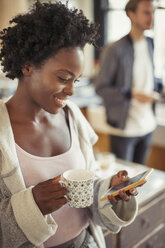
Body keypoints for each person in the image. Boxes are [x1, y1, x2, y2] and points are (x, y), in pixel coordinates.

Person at [0, 1, 138, 247]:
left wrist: (109, 191)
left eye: (77, 80)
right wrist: (31, 205)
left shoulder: (72, 116)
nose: (72, 91)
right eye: (63, 78)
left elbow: (87, 186)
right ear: (28, 66)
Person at [95, 0, 162, 165]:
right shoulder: (114, 49)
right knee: (124, 183)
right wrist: (132, 94)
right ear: (131, 15)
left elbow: (149, 78)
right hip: (124, 129)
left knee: (140, 178)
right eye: (146, 12)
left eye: (153, 12)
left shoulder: (150, 43)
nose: (151, 17)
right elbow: (101, 88)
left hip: (148, 125)